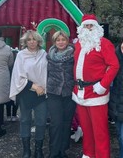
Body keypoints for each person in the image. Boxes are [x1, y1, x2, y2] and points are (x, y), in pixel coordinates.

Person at [72, 14, 120, 158]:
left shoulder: (104, 43)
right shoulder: (78, 44)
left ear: (97, 27)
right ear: (81, 28)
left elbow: (114, 65)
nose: (88, 28)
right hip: (80, 92)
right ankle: (88, 154)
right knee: (86, 128)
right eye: (86, 25)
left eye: (91, 25)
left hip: (96, 92)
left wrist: (103, 85)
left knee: (100, 131)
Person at [10, 30, 48, 158]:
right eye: (29, 40)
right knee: (25, 120)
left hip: (41, 93)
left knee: (41, 122)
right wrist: (33, 86)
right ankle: (26, 150)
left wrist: (41, 87)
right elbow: (17, 76)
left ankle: (38, 150)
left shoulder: (44, 54)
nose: (32, 42)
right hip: (25, 92)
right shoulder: (21, 55)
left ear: (38, 41)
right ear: (25, 42)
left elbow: (47, 73)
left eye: (34, 39)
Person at [46, 30, 76, 158]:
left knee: (66, 123)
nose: (61, 42)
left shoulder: (74, 55)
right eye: (58, 40)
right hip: (54, 93)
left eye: (63, 39)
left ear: (67, 41)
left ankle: (63, 151)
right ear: (54, 42)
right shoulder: (49, 56)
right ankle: (53, 152)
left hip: (69, 93)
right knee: (56, 123)